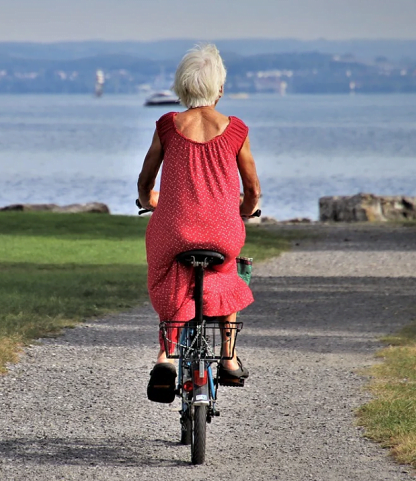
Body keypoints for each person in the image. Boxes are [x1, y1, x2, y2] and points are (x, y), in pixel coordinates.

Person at [137, 44, 261, 400]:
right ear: (219, 88)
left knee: (172, 272)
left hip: (174, 230)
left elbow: (146, 184)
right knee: (227, 274)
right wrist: (246, 210)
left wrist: (150, 202)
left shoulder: (167, 125)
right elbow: (252, 189)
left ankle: (167, 357)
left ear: (181, 87)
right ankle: (229, 356)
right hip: (222, 232)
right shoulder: (236, 130)